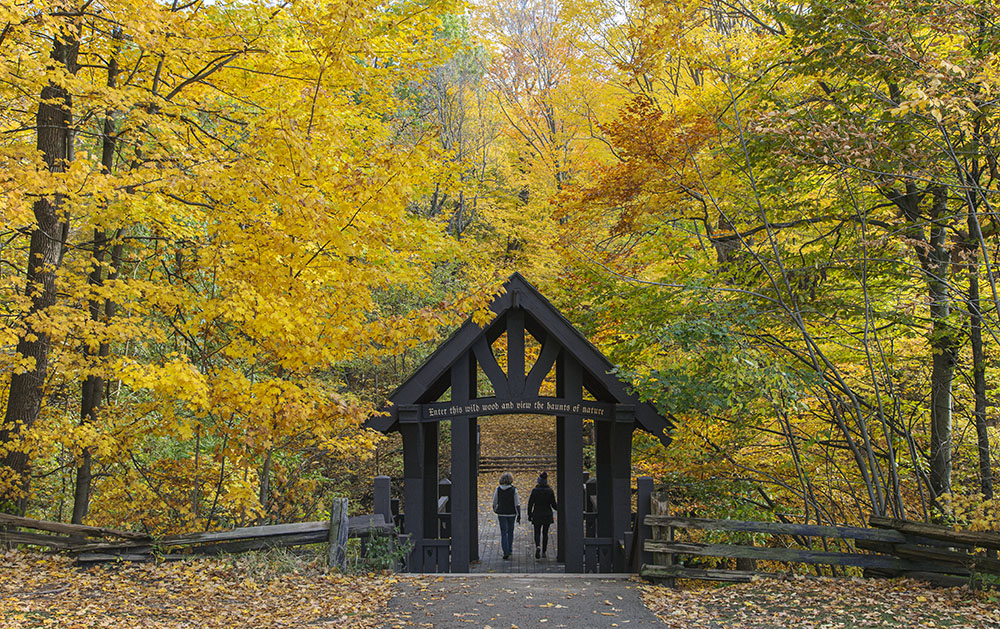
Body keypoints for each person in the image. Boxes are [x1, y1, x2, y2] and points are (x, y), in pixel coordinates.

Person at [527, 471, 557, 559]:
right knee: (545, 533)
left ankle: (537, 546)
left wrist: (529, 514)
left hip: (537, 513)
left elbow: (530, 503)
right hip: (547, 513)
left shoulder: (535, 491)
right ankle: (544, 551)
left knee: (537, 532)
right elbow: (553, 505)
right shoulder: (550, 491)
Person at [492, 471, 521, 559]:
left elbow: (495, 501)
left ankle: (505, 551)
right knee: (510, 531)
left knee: (503, 532)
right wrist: (519, 514)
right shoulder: (514, 490)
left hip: (502, 513)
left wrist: (495, 509)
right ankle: (510, 549)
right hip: (512, 513)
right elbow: (517, 503)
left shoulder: (498, 489)